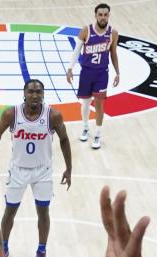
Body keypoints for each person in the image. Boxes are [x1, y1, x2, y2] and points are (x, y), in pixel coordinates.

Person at [0, 79, 71, 257]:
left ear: (43, 95)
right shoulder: (11, 114)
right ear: (24, 93)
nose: (35, 95)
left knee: (43, 213)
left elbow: (64, 139)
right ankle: (3, 246)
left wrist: (68, 168)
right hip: (18, 170)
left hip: (43, 171)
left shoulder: (53, 116)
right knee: (10, 211)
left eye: (38, 92)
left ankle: (41, 250)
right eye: (31, 92)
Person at [66, 3, 120, 150]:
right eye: (100, 14)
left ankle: (97, 134)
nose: (103, 17)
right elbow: (76, 51)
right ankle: (85, 127)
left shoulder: (113, 33)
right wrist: (70, 69)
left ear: (109, 15)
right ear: (95, 16)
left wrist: (118, 73)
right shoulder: (86, 30)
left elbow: (113, 54)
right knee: (85, 103)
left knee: (99, 104)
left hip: (102, 73)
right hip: (86, 72)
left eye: (105, 14)